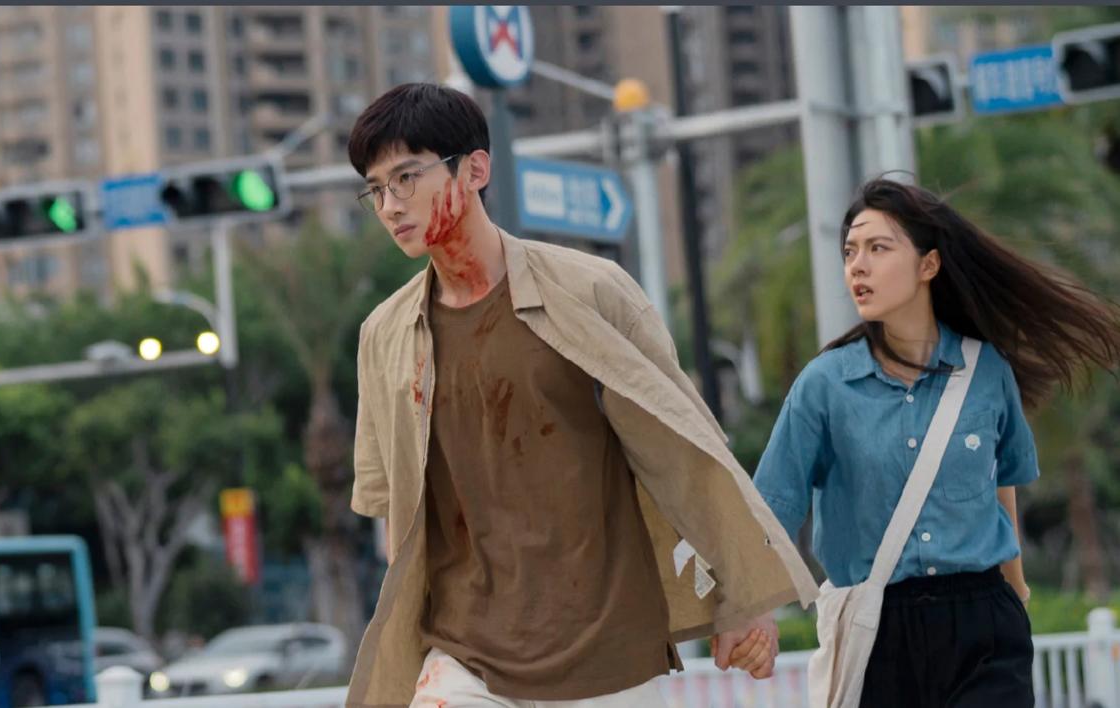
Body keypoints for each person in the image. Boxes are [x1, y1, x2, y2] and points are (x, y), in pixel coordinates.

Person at [344, 82, 818, 708]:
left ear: (476, 169)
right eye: (375, 189)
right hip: (464, 656)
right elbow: (396, 515)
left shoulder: (592, 291)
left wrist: (744, 599)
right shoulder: (385, 336)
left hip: (606, 655)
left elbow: (683, 451)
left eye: (406, 177)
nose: (389, 205)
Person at [752, 177, 1120, 707]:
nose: (857, 266)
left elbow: (1002, 484)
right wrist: (754, 609)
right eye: (850, 252)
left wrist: (1016, 592)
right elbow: (775, 504)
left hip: (983, 626)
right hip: (878, 634)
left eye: (878, 248)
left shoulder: (985, 370)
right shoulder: (824, 385)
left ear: (928, 265)